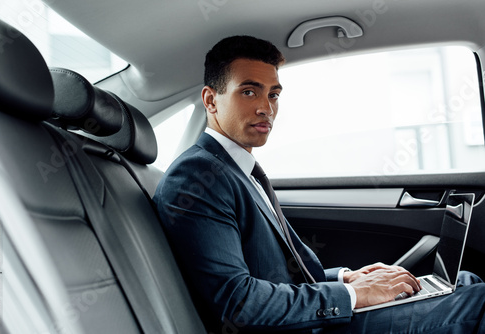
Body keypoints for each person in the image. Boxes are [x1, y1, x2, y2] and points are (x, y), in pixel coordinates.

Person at [153, 35, 485, 333]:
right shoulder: (196, 176)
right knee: (478, 301)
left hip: (309, 314)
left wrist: (347, 278)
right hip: (302, 327)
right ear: (211, 100)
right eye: (249, 91)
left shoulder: (237, 168)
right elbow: (240, 304)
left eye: (274, 94)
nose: (266, 108)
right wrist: (355, 295)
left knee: (463, 283)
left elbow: (277, 274)